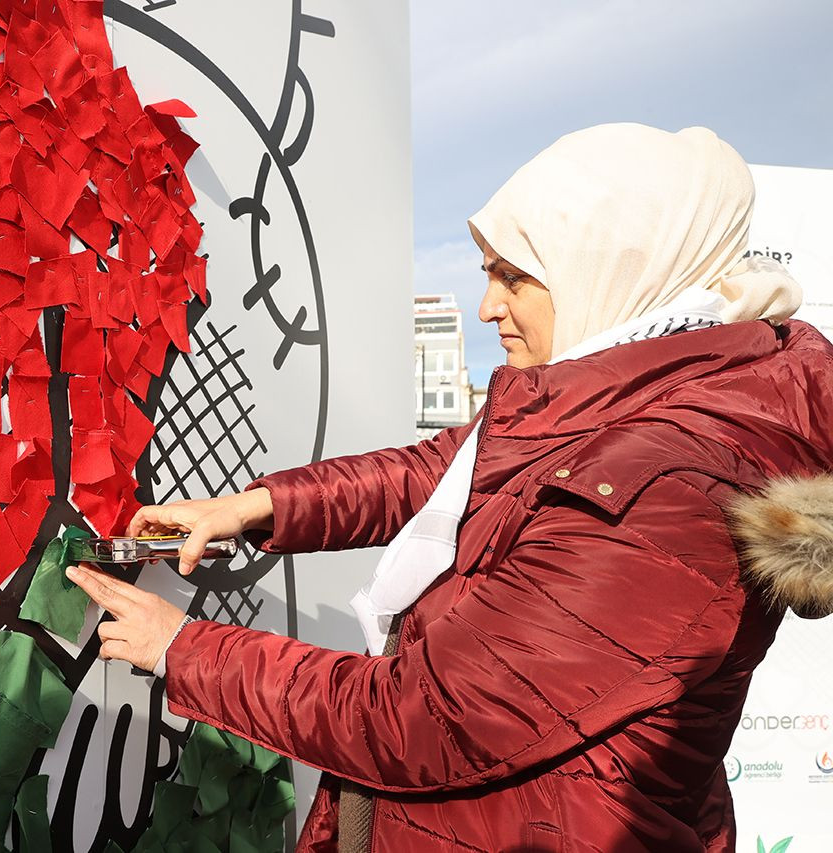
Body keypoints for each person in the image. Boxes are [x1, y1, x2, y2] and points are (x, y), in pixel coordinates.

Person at [67, 123, 833, 852]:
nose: (488, 306)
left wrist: (184, 647)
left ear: (614, 269)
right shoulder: (635, 396)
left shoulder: (665, 491)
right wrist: (255, 507)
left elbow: (425, 717)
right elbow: (451, 468)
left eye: (515, 277)